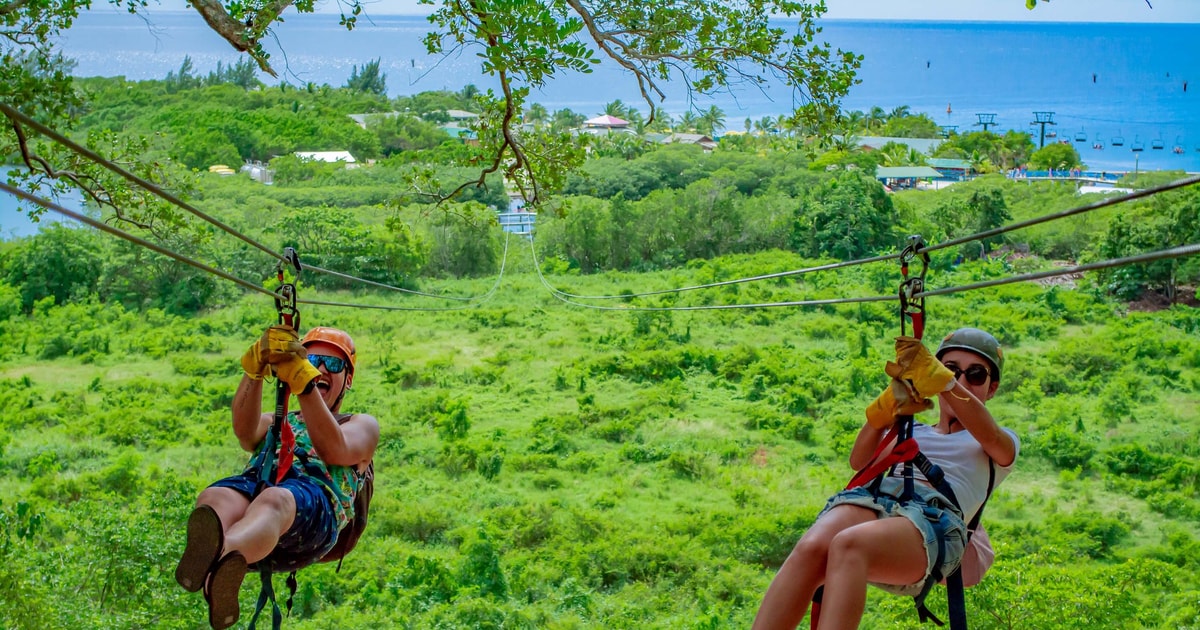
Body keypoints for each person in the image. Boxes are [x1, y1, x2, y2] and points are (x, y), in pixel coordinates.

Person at [752, 328, 1018, 630]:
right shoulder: (913, 430)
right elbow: (860, 462)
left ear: (991, 388)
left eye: (975, 375)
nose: (963, 380)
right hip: (881, 498)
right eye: (953, 369)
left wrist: (944, 382)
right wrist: (883, 412)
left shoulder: (998, 441)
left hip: (934, 519)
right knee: (814, 546)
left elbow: (992, 436)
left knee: (850, 545)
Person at [174, 326, 380, 630]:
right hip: (263, 488)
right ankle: (216, 571)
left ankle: (222, 556)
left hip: (315, 509)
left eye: (333, 365)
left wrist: (303, 382)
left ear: (347, 379)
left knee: (276, 499)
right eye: (313, 360)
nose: (322, 369)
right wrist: (256, 366)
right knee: (214, 498)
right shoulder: (280, 419)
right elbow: (246, 433)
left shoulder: (360, 425)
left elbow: (334, 448)